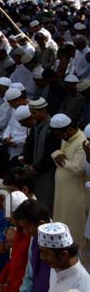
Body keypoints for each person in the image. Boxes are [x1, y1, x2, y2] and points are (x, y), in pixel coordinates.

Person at [48, 113, 87, 245]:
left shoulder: (82, 141)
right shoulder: (66, 138)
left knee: (74, 227)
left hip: (75, 193)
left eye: (60, 134)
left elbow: (78, 169)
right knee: (61, 220)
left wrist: (58, 157)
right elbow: (61, 157)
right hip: (62, 191)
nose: (59, 138)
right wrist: (57, 155)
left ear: (69, 130)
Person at [36, 222, 90, 290]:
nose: (42, 257)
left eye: (46, 254)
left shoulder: (81, 285)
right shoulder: (56, 267)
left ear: (64, 255)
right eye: (41, 252)